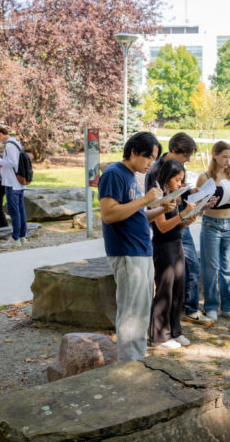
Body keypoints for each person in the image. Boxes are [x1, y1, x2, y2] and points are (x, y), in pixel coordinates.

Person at [98, 131, 175, 363]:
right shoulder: (114, 174)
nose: (150, 163)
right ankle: (129, 366)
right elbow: (109, 214)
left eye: (153, 158)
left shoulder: (131, 176)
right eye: (148, 157)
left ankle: (137, 361)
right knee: (131, 314)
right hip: (127, 252)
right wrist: (145, 199)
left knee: (140, 314)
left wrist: (162, 209)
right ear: (132, 152)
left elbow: (137, 215)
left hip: (140, 251)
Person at [146, 132, 214, 327]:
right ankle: (170, 322)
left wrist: (192, 194)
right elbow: (158, 204)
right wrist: (181, 214)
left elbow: (178, 193)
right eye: (185, 156)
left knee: (189, 268)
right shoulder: (155, 171)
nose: (188, 160)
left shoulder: (177, 167)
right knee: (171, 279)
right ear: (174, 150)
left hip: (179, 221)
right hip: (166, 229)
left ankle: (184, 313)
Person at [149, 160, 197, 350]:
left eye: (182, 180)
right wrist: (182, 213)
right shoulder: (158, 194)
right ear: (167, 177)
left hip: (177, 242)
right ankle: (159, 336)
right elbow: (161, 226)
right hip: (163, 246)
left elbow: (177, 224)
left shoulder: (174, 195)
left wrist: (188, 218)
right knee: (164, 290)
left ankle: (175, 330)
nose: (180, 184)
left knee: (178, 288)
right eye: (177, 180)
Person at [197, 141, 230, 322]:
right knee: (210, 268)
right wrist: (205, 204)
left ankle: (229, 307)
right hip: (210, 224)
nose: (227, 160)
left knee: (229, 268)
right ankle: (211, 306)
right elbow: (197, 206)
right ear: (214, 155)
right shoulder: (204, 177)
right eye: (224, 156)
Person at [0, 126, 27, 248]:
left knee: (14, 211)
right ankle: (22, 236)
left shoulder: (9, 145)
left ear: (0, 134)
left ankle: (15, 238)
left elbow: (13, 162)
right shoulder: (16, 142)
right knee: (21, 210)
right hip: (19, 182)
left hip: (12, 182)